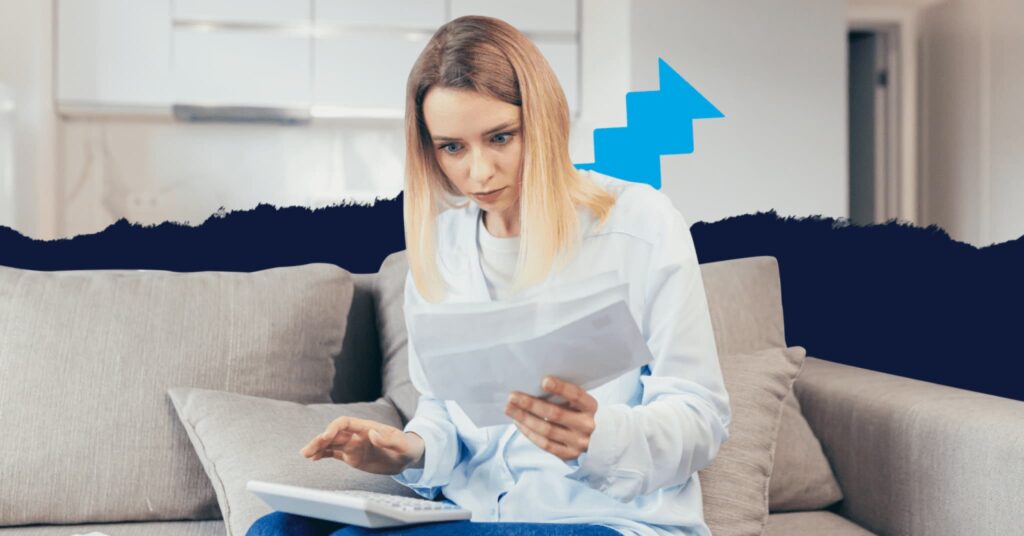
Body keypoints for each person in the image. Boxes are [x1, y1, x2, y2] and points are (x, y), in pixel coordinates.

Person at [248, 15, 730, 536]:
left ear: (544, 121)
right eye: (452, 147)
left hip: (602, 518)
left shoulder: (640, 224)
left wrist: (600, 436)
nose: (478, 173)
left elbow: (700, 416)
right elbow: (444, 409)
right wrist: (409, 451)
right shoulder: (442, 248)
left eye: (500, 137)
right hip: (476, 517)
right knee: (278, 529)